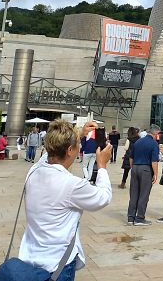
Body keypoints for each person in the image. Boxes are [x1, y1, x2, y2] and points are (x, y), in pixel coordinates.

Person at [18, 119, 112, 280]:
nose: (79, 148)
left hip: (29, 256)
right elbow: (103, 198)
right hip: (58, 264)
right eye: (77, 145)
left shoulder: (34, 170)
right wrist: (102, 166)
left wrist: (78, 133)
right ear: (70, 150)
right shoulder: (71, 184)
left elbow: (50, 153)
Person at [127, 124, 161, 226]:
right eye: (159, 134)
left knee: (134, 193)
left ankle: (130, 217)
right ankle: (140, 218)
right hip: (146, 169)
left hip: (135, 167)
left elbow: (131, 157)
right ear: (156, 133)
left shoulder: (138, 141)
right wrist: (155, 174)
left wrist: (133, 167)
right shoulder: (153, 144)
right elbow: (154, 161)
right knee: (144, 194)